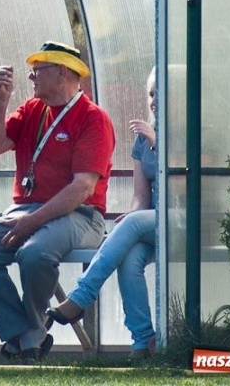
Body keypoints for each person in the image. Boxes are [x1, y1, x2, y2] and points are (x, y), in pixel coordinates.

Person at [0, 41, 115, 361]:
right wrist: (0, 101)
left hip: (80, 215)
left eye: (37, 70)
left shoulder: (92, 118)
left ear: (61, 73)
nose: (30, 77)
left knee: (35, 253)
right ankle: (27, 333)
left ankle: (29, 338)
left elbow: (82, 188)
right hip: (25, 210)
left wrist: (32, 221)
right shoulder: (33, 109)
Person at [47, 66, 157, 358]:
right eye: (151, 94)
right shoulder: (141, 140)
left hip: (186, 218)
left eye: (161, 94)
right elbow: (141, 197)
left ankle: (81, 297)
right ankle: (143, 342)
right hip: (154, 222)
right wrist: (133, 216)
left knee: (131, 225)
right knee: (129, 259)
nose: (154, 101)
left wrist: (158, 144)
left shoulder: (188, 135)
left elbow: (184, 189)